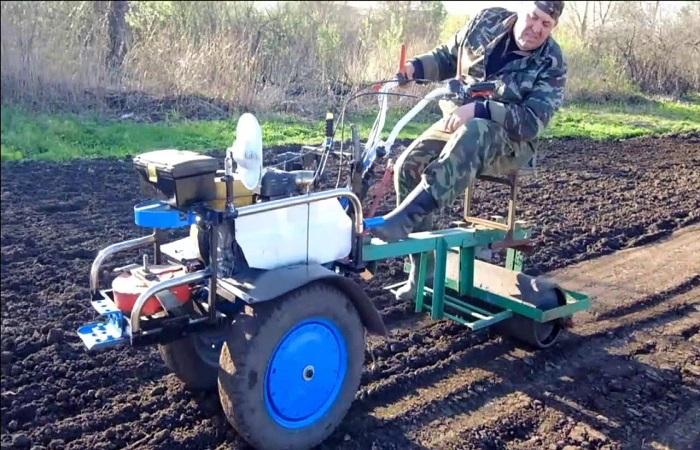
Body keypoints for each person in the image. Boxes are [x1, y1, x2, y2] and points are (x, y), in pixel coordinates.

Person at [371, 1, 567, 301]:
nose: (537, 29)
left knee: (476, 130)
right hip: (458, 121)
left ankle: (405, 218)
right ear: (522, 9)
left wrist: (480, 108)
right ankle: (423, 273)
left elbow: (531, 122)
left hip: (510, 140)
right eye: (535, 17)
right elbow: (447, 56)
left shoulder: (552, 62)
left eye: (546, 25)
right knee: (409, 164)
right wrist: (415, 67)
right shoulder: (486, 20)